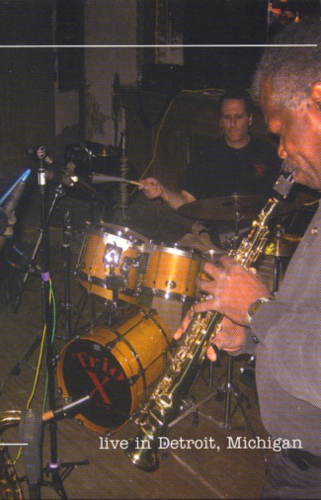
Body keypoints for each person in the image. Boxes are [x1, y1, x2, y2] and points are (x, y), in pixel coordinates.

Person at [179, 18, 321, 498]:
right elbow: (308, 325)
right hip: (293, 459)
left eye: (281, 130)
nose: (281, 151)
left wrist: (259, 307)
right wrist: (249, 334)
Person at [138, 89, 282, 247]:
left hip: (256, 239)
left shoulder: (268, 154)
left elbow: (281, 203)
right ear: (220, 121)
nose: (232, 123)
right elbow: (186, 201)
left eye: (238, 117)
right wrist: (162, 191)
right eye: (227, 117)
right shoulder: (206, 153)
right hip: (211, 238)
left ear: (250, 119)